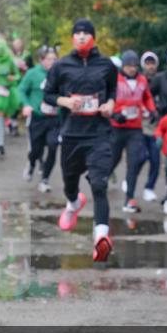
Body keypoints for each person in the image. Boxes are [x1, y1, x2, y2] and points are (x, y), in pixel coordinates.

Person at [43, 18, 118, 262]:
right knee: (69, 182)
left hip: (99, 134)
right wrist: (65, 101)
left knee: (99, 184)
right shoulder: (61, 65)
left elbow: (113, 92)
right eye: (78, 33)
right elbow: (48, 95)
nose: (82, 36)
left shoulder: (106, 65)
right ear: (72, 38)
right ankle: (74, 203)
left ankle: (101, 238)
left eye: (87, 32)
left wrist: (109, 105)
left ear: (93, 37)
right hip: (72, 133)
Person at [110, 50, 157, 213]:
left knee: (134, 162)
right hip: (117, 127)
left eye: (135, 66)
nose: (132, 69)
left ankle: (129, 198)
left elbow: (147, 97)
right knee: (112, 160)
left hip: (135, 128)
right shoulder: (114, 79)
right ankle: (99, 183)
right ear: (123, 66)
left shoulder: (142, 80)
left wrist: (152, 111)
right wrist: (115, 114)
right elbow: (107, 99)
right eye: (129, 66)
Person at [18, 45, 60, 193]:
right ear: (41, 60)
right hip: (37, 118)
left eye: (55, 59)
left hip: (55, 119)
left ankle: (45, 180)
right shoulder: (33, 73)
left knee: (53, 146)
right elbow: (21, 90)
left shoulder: (61, 74)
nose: (53, 62)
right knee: (36, 150)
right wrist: (26, 105)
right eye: (49, 59)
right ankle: (31, 164)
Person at [137, 51, 162, 202]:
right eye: (147, 63)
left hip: (155, 125)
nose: (150, 66)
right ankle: (130, 180)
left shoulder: (162, 80)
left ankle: (149, 187)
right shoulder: (138, 80)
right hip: (139, 124)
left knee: (155, 158)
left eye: (152, 63)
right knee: (140, 156)